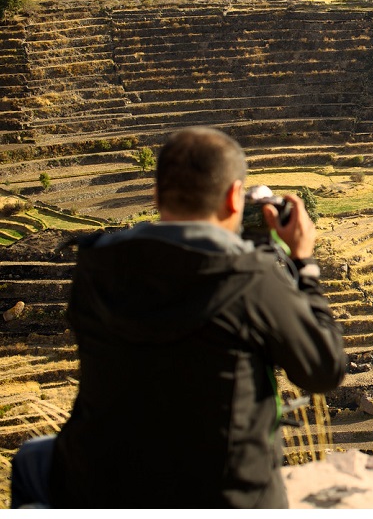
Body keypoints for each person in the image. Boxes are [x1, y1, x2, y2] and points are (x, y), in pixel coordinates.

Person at [9, 127, 346, 508]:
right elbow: (324, 369)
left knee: (31, 460)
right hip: (224, 495)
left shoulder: (95, 265)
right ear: (236, 197)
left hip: (103, 487)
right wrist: (303, 262)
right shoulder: (252, 279)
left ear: (156, 194)